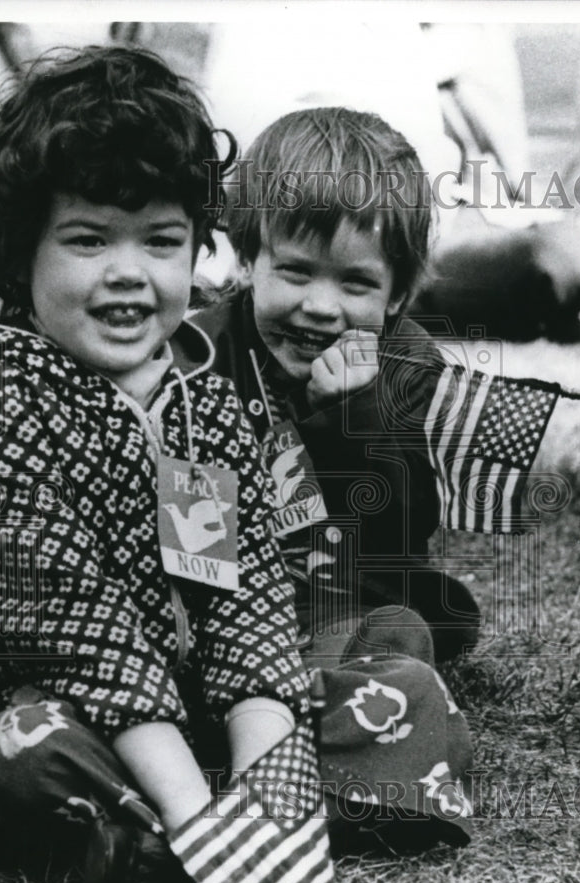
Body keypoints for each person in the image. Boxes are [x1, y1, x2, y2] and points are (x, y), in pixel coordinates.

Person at [0, 46, 313, 883]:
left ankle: (257, 822)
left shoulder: (209, 411)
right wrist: (202, 816)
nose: (129, 272)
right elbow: (77, 622)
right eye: (87, 240)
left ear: (196, 250)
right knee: (16, 750)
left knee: (391, 686)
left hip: (192, 710)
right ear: (17, 257)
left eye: (161, 241)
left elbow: (241, 596)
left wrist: (266, 795)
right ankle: (167, 836)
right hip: (55, 699)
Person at [192, 107, 482, 666]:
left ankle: (341, 654)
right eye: (296, 272)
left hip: (356, 584)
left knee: (421, 618)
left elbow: (406, 525)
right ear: (249, 259)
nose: (320, 308)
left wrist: (353, 415)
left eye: (356, 283)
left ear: (396, 296)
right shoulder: (199, 355)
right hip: (230, 586)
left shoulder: (408, 362)